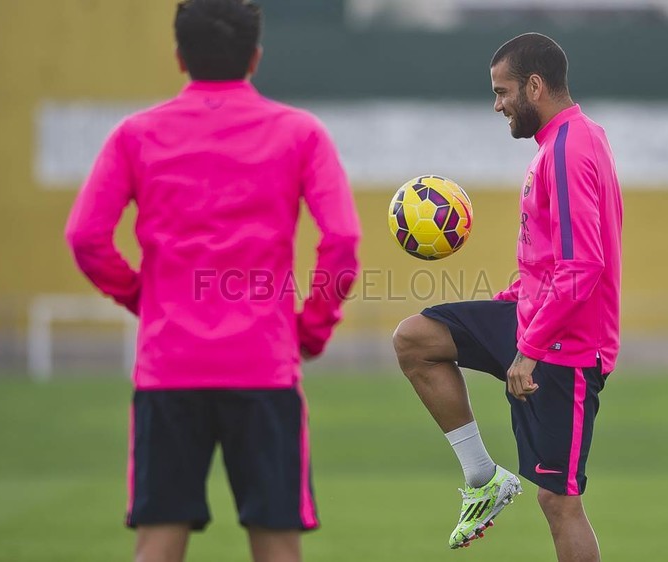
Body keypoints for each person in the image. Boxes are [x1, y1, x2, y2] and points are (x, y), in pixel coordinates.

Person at [65, 1, 361, 561]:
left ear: (180, 56)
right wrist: (313, 328)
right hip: (264, 365)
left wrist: (142, 297)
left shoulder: (136, 135)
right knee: (277, 546)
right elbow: (342, 241)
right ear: (255, 56)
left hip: (169, 366)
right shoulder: (301, 133)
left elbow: (86, 238)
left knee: (157, 543)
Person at [393, 32, 622, 560]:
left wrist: (529, 349)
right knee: (417, 339)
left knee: (559, 502)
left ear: (535, 86)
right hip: (535, 317)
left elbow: (583, 265)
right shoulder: (572, 139)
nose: (497, 105)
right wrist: (514, 297)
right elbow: (550, 254)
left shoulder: (567, 150)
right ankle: (482, 477)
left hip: (568, 344)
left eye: (502, 92)